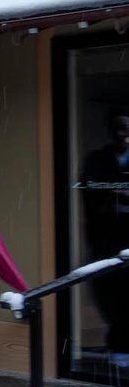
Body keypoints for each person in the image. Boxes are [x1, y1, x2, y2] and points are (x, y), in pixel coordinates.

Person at [80, 107, 129, 367]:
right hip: (106, 241)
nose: (124, 135)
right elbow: (90, 196)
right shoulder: (97, 160)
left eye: (128, 128)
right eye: (119, 128)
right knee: (112, 296)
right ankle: (120, 349)